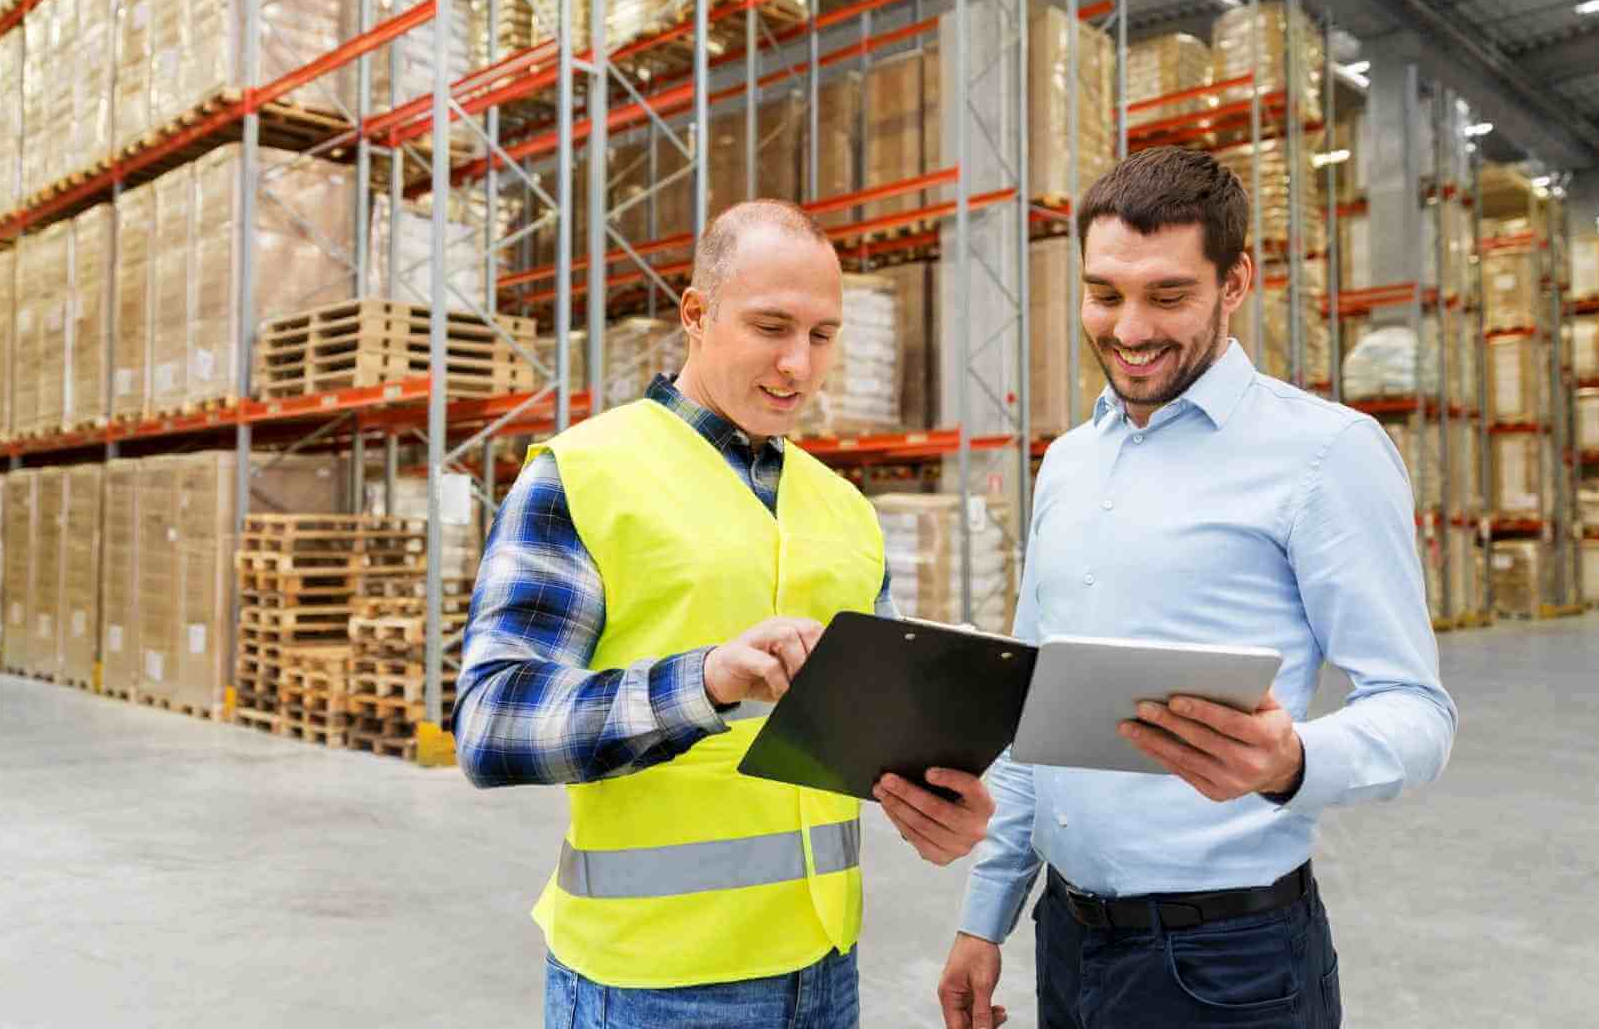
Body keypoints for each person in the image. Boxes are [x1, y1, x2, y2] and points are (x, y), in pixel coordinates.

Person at [936, 147, 1458, 1029]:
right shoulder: (1068, 463)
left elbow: (1417, 711)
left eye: (1168, 297)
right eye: (1104, 295)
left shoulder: (1327, 455)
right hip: (1065, 938)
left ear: (1236, 282)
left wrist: (1295, 761)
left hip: (1228, 965)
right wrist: (985, 918)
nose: (1130, 328)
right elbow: (1033, 712)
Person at [453, 198, 995, 1028]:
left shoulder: (844, 506)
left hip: (825, 967)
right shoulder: (586, 474)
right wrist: (704, 682)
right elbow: (493, 724)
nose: (798, 365)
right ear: (696, 314)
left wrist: (932, 797)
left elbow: (867, 733)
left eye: (821, 336)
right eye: (771, 327)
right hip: (651, 983)